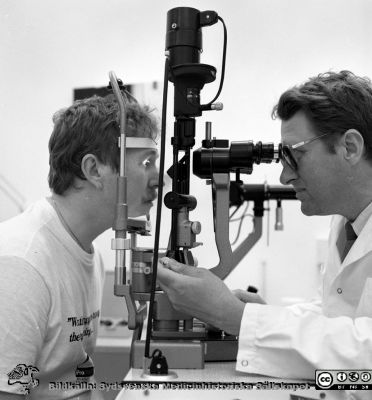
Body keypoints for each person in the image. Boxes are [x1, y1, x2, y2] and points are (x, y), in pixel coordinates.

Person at [157, 71, 372, 382]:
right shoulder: (347, 222)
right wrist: (264, 316)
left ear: (349, 147)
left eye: (295, 155)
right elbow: (334, 314)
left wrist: (237, 318)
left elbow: (364, 353)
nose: (284, 177)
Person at [0, 94, 160, 399]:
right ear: (94, 169)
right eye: (146, 162)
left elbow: (78, 380)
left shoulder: (88, 253)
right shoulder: (20, 265)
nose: (158, 180)